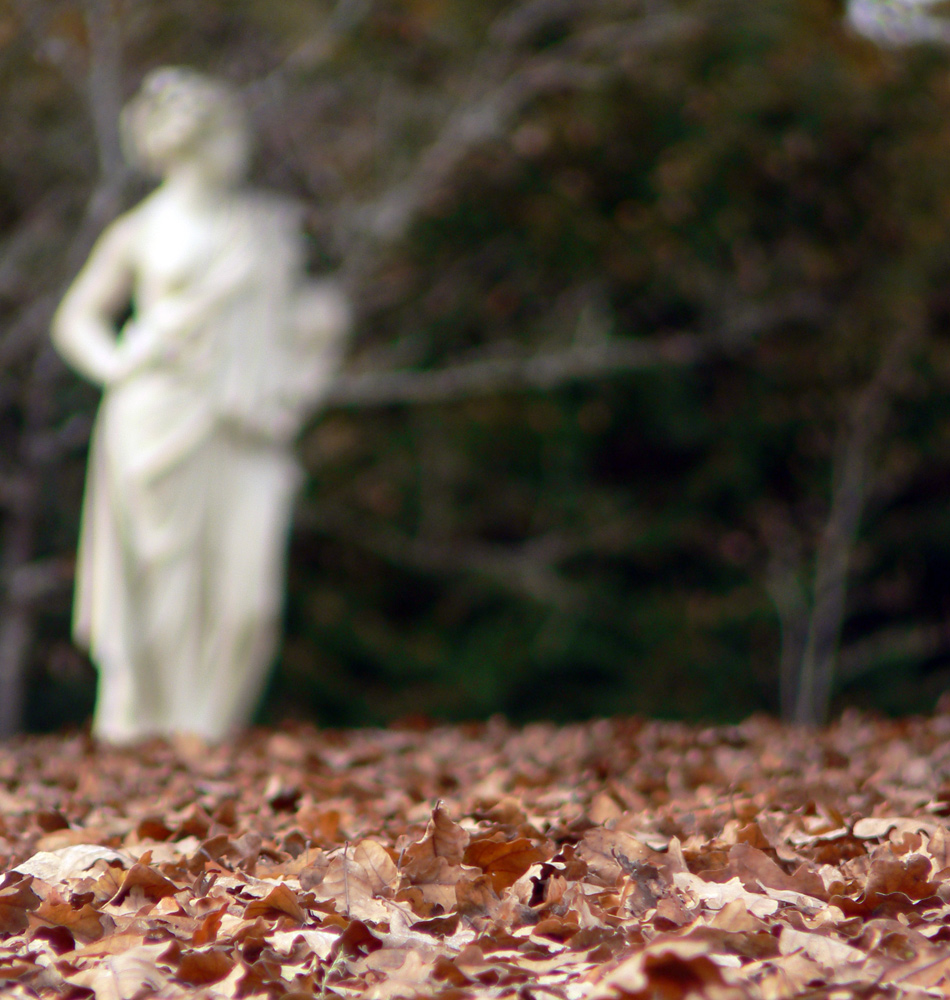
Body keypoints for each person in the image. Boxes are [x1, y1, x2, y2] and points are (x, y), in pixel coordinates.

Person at [52, 67, 349, 743]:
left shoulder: (270, 226)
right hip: (159, 417)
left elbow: (306, 321)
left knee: (249, 601)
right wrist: (121, 364)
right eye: (229, 131)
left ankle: (210, 735)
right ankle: (150, 741)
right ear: (194, 142)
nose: (240, 144)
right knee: (164, 590)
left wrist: (315, 351)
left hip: (249, 422)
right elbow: (76, 320)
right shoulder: (143, 230)